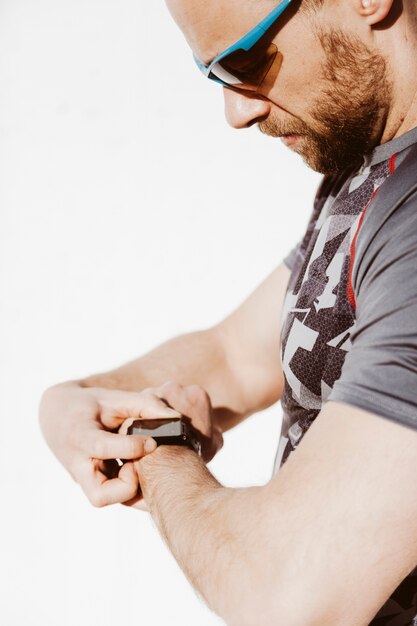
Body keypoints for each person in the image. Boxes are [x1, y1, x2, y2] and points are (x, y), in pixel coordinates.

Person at [39, 0, 417, 624]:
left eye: (245, 61)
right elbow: (236, 357)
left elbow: (287, 598)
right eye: (215, 75)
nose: (236, 111)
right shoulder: (370, 164)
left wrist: (158, 449)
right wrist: (74, 400)